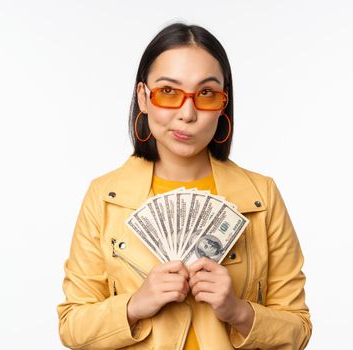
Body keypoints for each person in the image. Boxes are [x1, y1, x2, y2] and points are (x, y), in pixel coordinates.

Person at [57, 22, 312, 350]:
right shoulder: (106, 197)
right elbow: (72, 326)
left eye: (206, 93)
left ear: (222, 104)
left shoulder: (261, 196)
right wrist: (135, 305)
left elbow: (298, 328)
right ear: (143, 98)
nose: (187, 113)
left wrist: (238, 312)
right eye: (168, 92)